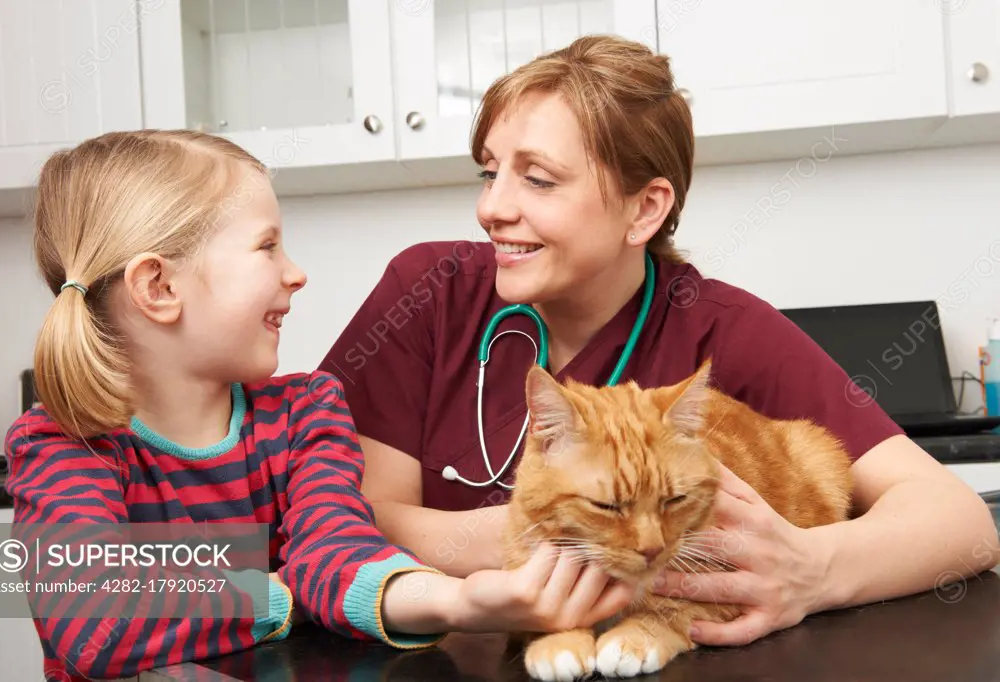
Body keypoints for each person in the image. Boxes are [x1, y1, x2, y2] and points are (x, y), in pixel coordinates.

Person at [318, 34, 1000, 648]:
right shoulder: (429, 291)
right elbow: (336, 513)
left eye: (537, 178)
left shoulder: (721, 330)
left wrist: (812, 571)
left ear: (645, 207)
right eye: (489, 171)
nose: (492, 206)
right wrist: (512, 543)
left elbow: (960, 522)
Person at [4, 129, 635, 682]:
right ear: (160, 286)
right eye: (266, 247)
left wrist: (461, 603)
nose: (295, 273)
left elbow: (338, 553)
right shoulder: (61, 443)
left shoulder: (306, 412)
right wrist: (285, 595)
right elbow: (92, 620)